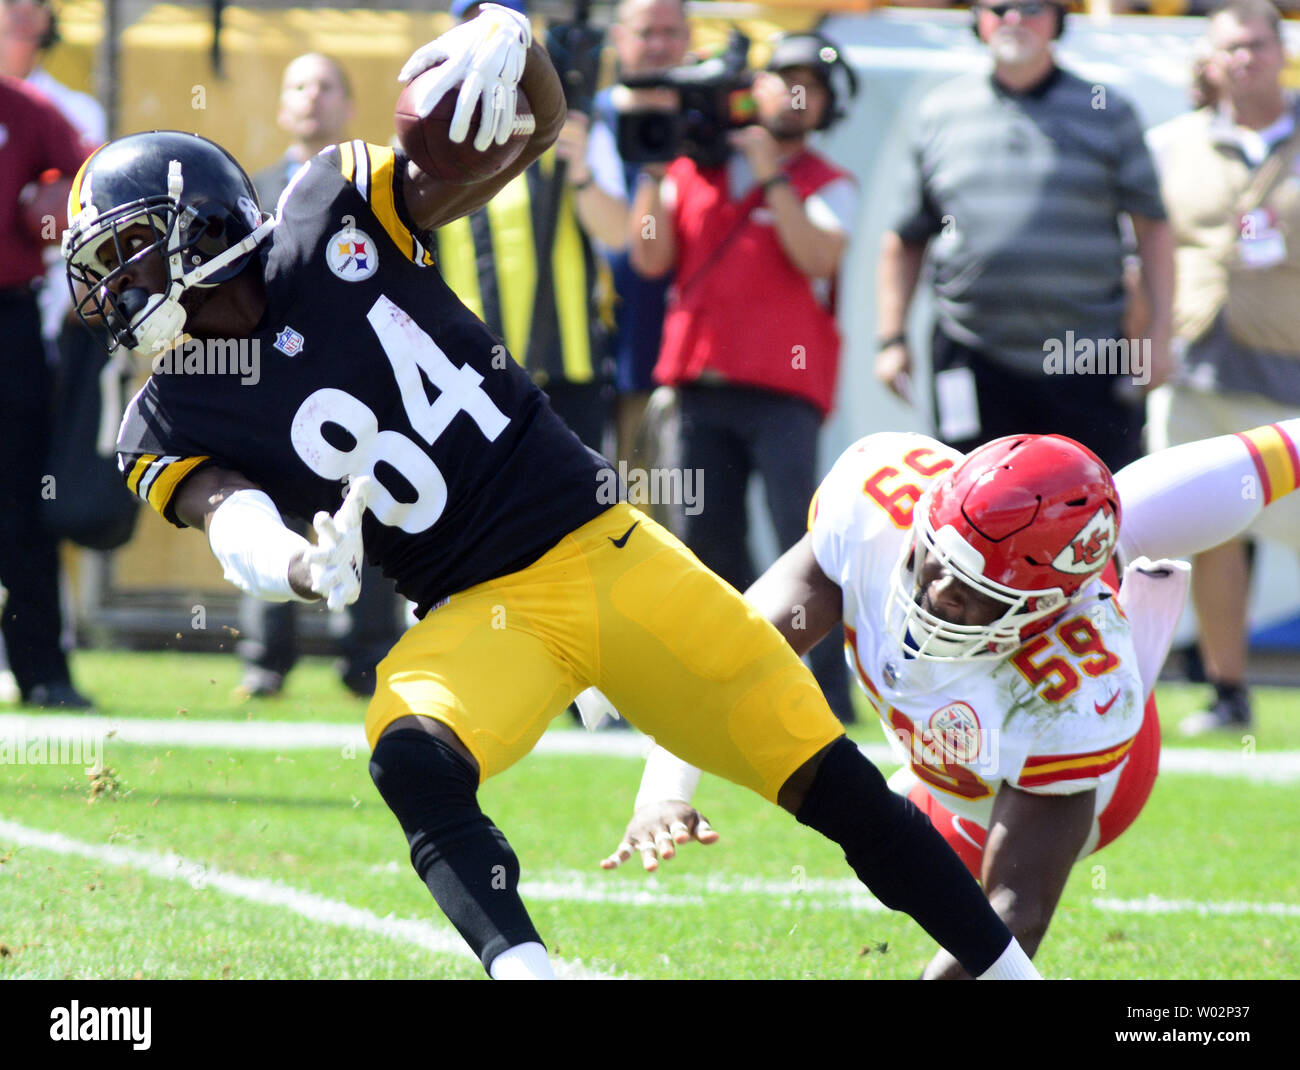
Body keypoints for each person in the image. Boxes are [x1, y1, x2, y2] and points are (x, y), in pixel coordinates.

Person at [64, 6, 1038, 980]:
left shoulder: (331, 208)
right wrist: (296, 563)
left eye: (127, 251)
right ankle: (529, 969)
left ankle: (1010, 973)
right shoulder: (158, 418)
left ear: (200, 226)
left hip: (606, 551)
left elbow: (513, 141)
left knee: (836, 787)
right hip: (481, 613)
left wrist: (514, 49)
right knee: (409, 754)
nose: (108, 285)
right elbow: (225, 511)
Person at [604, 419, 1300, 977]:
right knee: (1108, 504)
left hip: (1081, 784)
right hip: (948, 739)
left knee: (917, 859)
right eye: (932, 560)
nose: (933, 594)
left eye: (970, 595)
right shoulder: (881, 507)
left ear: (1039, 613)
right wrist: (663, 789)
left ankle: (1162, 566)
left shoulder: (1077, 686)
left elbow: (1008, 919)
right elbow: (733, 653)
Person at [627, 30, 859, 722]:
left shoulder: (827, 182)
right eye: (780, 79)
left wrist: (772, 176)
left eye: (808, 87)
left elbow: (817, 256)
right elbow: (648, 257)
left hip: (785, 394)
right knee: (705, 542)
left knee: (805, 536)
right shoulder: (692, 171)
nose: (792, 96)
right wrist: (648, 167)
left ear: (824, 106)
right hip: (701, 388)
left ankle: (830, 695)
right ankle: (728, 688)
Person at [875, 0, 1175, 475]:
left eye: (1032, 7)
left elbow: (1153, 228)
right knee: (970, 513)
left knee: (1090, 509)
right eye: (999, 7)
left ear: (1058, 19)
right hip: (971, 354)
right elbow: (907, 237)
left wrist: (1158, 336)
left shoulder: (1107, 109)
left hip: (1088, 358)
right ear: (979, 20)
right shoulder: (940, 112)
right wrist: (891, 338)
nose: (1014, 19)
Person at [1147, 0, 1300, 735]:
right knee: (1205, 532)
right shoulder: (1169, 144)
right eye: (1231, 47)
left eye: (1258, 44)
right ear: (1211, 59)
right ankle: (1228, 691)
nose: (1246, 58)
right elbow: (1145, 249)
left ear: (1282, 49)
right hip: (1195, 363)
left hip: (1288, 361)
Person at [239, 51, 401, 700]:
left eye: (327, 86)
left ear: (348, 105)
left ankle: (368, 657)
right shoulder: (250, 192)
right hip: (275, 385)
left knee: (364, 511)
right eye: (298, 85)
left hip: (360, 379)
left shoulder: (378, 193)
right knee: (269, 509)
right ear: (283, 106)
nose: (312, 97)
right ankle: (264, 660)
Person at [434, 0, 612, 456]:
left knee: (576, 519)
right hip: (469, 373)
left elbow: (621, 235)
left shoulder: (573, 132)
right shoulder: (427, 134)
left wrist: (581, 170)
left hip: (567, 373)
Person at [0, 72, 90, 710]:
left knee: (23, 502)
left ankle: (42, 671)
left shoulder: (26, 109)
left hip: (7, 321)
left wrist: (52, 208)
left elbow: (94, 179)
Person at [582, 0, 689, 473]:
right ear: (619, 39)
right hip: (599, 354)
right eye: (647, 32)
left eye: (671, 31)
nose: (660, 45)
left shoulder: (709, 120)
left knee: (687, 511)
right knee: (615, 501)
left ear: (689, 36)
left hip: (692, 361)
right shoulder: (588, 121)